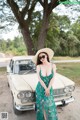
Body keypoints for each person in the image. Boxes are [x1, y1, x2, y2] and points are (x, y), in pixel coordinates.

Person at [32, 48, 58, 120]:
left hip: (49, 88)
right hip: (40, 88)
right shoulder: (39, 66)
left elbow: (53, 78)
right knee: (41, 107)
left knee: (50, 106)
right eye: (40, 58)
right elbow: (39, 79)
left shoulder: (53, 65)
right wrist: (45, 88)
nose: (41, 58)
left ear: (46, 56)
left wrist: (48, 88)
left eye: (43, 56)